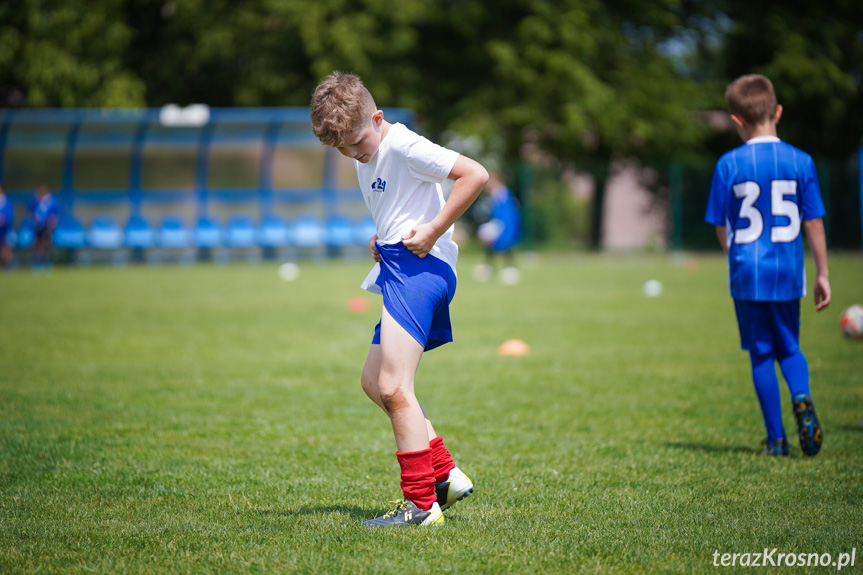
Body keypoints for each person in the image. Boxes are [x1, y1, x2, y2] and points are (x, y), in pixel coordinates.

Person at [311, 72, 488, 527]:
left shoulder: (404, 144)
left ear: (377, 117)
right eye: (344, 150)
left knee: (394, 386)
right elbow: (400, 203)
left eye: (357, 141)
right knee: (375, 381)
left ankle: (421, 505)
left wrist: (432, 230)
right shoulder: (363, 151)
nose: (354, 153)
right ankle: (445, 476)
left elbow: (475, 174)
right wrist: (382, 237)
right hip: (400, 265)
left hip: (421, 269)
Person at [705, 74, 831, 457]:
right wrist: (823, 272)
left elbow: (720, 225)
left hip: (748, 272)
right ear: (777, 111)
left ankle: (776, 440)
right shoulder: (801, 161)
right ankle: (802, 395)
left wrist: (735, 257)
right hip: (788, 271)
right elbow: (813, 223)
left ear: (736, 120)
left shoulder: (729, 164)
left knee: (761, 352)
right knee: (790, 348)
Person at [475, 171, 522, 285]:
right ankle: (492, 267)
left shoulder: (501, 193)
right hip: (499, 224)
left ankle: (496, 268)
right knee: (492, 243)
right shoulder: (499, 193)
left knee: (494, 241)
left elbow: (506, 214)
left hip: (502, 225)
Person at [27, 185, 60, 268]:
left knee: (47, 244)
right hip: (37, 227)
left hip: (48, 228)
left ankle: (47, 262)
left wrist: (51, 223)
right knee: (37, 244)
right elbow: (30, 213)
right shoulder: (35, 201)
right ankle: (37, 262)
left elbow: (55, 216)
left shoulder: (52, 202)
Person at [0, 183, 13, 269]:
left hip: (5, 230)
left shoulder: (7, 202)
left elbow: (10, 217)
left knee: (5, 246)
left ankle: (8, 264)